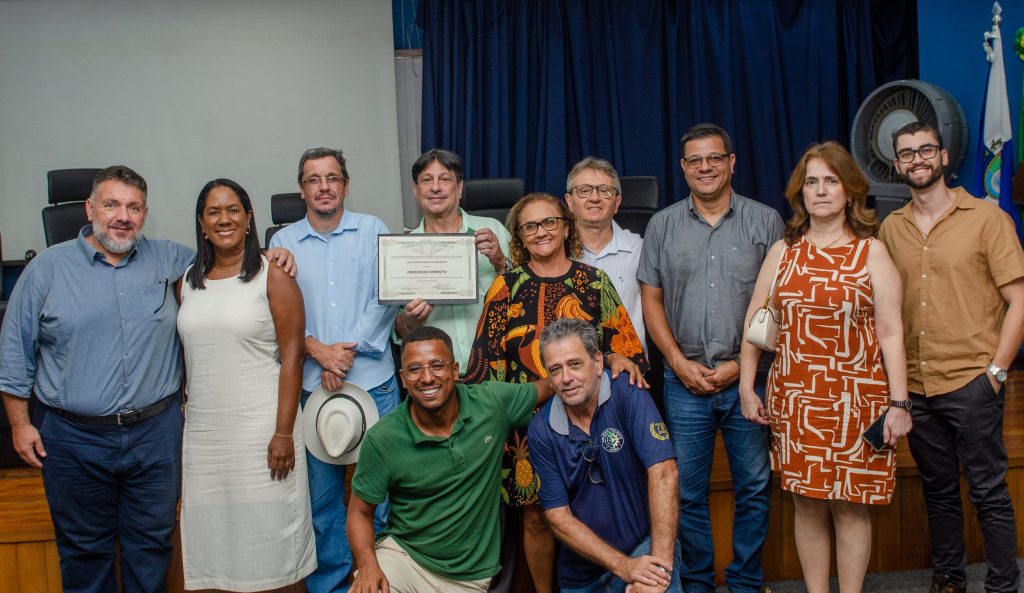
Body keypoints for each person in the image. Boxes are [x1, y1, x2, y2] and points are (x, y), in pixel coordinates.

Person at [0, 165, 294, 593]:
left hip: (154, 437)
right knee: (84, 551)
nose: (123, 216)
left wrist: (273, 255)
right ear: (90, 209)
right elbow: (14, 350)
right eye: (111, 205)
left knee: (151, 548)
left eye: (133, 207)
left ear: (145, 214)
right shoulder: (47, 269)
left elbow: (227, 255)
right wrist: (20, 423)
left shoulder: (171, 260)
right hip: (74, 438)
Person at [739, 141, 912, 593]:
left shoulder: (871, 252)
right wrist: (746, 387)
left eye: (831, 181)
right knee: (807, 502)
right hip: (796, 398)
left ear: (850, 191)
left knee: (850, 506)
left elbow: (891, 332)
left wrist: (899, 404)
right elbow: (756, 323)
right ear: (801, 192)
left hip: (857, 400)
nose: (820, 190)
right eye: (811, 182)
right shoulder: (783, 252)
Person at [465, 192, 648, 593]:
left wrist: (615, 356)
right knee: (537, 516)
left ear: (566, 227)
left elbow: (626, 349)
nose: (541, 232)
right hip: (525, 429)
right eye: (529, 226)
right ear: (520, 237)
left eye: (549, 222)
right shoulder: (505, 287)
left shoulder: (594, 282)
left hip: (593, 420)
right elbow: (485, 366)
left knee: (592, 506)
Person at [879, 122, 1024, 593]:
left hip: (972, 382)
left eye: (926, 149)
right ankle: (949, 581)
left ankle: (1003, 586)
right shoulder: (891, 227)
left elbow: (1020, 300)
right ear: (897, 165)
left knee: (988, 492)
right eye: (907, 153)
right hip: (917, 387)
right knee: (938, 492)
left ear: (943, 156)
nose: (917, 159)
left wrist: (996, 372)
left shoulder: (987, 218)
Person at [637, 123, 782, 593]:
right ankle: (698, 582)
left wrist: (742, 366)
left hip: (749, 380)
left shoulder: (766, 222)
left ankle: (744, 582)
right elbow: (651, 301)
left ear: (731, 162)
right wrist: (677, 363)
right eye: (695, 160)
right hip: (684, 383)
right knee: (688, 492)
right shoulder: (662, 226)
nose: (705, 167)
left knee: (754, 486)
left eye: (714, 157)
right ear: (683, 168)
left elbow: (778, 305)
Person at [269, 147, 400, 593]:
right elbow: (273, 313)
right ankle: (332, 586)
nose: (324, 187)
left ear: (345, 184)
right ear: (301, 189)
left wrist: (343, 354)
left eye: (332, 178)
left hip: (374, 383)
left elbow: (386, 297)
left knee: (382, 497)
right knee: (322, 503)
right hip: (311, 387)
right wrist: (318, 351)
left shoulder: (373, 229)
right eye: (314, 179)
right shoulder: (283, 243)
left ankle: (380, 582)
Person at [176, 179, 316, 591]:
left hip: (262, 430)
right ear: (201, 223)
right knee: (215, 542)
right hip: (205, 436)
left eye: (233, 210)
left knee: (274, 544)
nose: (225, 219)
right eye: (214, 212)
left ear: (249, 218)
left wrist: (283, 433)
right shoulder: (187, 281)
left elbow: (293, 356)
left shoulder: (273, 275)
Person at [347, 325, 554, 593]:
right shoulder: (383, 438)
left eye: (437, 365)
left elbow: (549, 385)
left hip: (469, 578)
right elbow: (360, 512)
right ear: (403, 378)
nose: (427, 378)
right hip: (405, 559)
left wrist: (600, 363)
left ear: (455, 371)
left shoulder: (491, 404)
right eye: (414, 369)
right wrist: (367, 565)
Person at [529, 318, 679, 593]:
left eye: (575, 364)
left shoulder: (627, 391)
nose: (566, 378)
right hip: (582, 577)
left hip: (643, 550)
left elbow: (664, 472)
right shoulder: (541, 428)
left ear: (598, 362)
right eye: (555, 369)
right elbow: (558, 518)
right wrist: (623, 566)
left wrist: (657, 572)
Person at [395, 149, 511, 370]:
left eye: (445, 179)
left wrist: (500, 261)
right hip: (438, 373)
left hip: (498, 365)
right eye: (427, 180)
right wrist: (407, 321)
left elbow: (527, 295)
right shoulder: (402, 250)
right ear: (415, 190)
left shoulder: (493, 230)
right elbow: (397, 329)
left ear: (459, 188)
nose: (435, 187)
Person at [564, 157, 645, 348]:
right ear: (569, 201)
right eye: (584, 190)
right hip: (571, 363)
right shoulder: (556, 251)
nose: (595, 198)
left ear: (617, 202)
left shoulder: (640, 249)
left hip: (629, 363)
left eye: (604, 191)